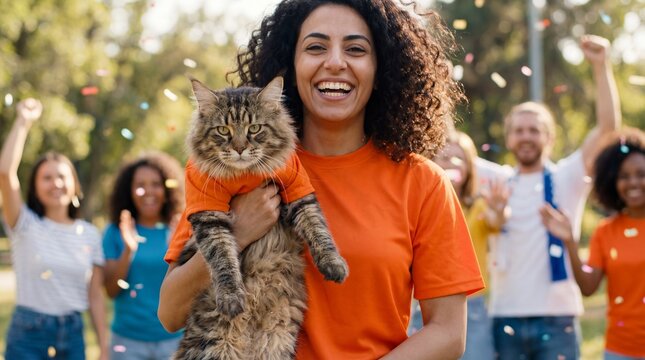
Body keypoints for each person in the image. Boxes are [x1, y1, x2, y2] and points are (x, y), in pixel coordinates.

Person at [158, 0, 485, 358]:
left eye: (356, 49)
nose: (334, 62)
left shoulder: (423, 183)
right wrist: (237, 234)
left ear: (382, 68)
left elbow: (449, 334)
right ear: (290, 65)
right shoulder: (233, 172)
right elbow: (170, 313)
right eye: (315, 47)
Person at [480, 34, 622, 359]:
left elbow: (608, 129)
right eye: (519, 130)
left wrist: (601, 66)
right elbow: (448, 146)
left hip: (558, 318)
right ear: (509, 137)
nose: (526, 136)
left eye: (534, 129)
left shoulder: (566, 177)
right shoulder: (496, 181)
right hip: (505, 315)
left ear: (550, 137)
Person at [0, 98, 108, 360]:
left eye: (61, 176)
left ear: (74, 184)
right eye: (46, 178)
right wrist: (24, 122)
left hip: (72, 333)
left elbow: (94, 296)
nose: (55, 183)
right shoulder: (24, 224)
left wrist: (104, 346)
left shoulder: (90, 234)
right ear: (35, 186)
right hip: (28, 334)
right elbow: (4, 172)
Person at [540, 129, 645, 360]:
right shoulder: (606, 231)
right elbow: (588, 287)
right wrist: (569, 242)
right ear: (612, 181)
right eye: (624, 176)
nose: (633, 182)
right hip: (621, 349)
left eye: (641, 174)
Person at [423, 131, 509, 359]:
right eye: (444, 156)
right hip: (427, 304)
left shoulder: (478, 207)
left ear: (469, 167)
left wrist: (499, 212)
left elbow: (495, 222)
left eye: (458, 158)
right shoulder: (422, 206)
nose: (451, 162)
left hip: (472, 305)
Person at [102, 152, 184, 359]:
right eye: (140, 185)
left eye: (156, 184)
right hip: (128, 342)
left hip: (174, 339)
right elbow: (111, 290)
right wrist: (128, 250)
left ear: (166, 189)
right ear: (129, 191)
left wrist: (179, 252)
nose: (148, 191)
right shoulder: (115, 232)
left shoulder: (181, 230)